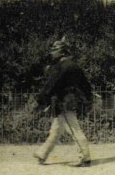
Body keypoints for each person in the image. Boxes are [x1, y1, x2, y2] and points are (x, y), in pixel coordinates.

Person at [33, 37, 93, 167]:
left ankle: (85, 157)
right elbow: (86, 85)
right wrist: (88, 99)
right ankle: (42, 154)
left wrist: (40, 100)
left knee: (74, 129)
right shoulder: (75, 66)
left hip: (63, 103)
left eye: (54, 50)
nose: (51, 53)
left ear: (62, 52)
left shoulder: (60, 67)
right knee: (56, 130)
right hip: (72, 101)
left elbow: (50, 85)